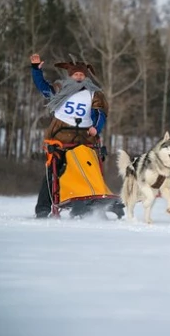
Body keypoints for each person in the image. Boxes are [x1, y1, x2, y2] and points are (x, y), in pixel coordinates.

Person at [30, 53, 120, 218]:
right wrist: (36, 70)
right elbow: (43, 87)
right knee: (53, 172)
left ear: (86, 76)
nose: (79, 77)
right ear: (70, 76)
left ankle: (92, 200)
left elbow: (100, 112)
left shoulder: (95, 93)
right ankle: (43, 208)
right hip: (59, 138)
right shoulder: (59, 88)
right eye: (76, 74)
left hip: (85, 139)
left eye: (81, 74)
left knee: (89, 170)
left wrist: (96, 127)